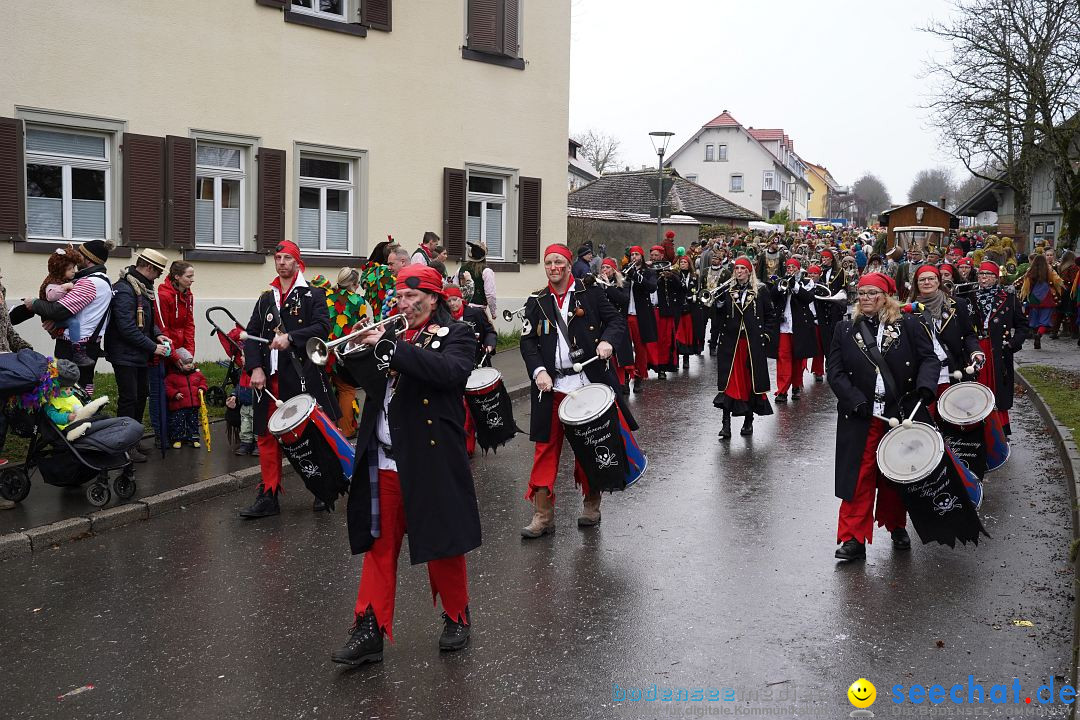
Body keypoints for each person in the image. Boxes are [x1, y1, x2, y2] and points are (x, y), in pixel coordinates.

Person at [332, 264, 481, 664]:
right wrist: (353, 351)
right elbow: (364, 379)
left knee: (442, 542)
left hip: (429, 456)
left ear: (433, 298)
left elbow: (451, 373)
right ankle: (369, 628)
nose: (405, 304)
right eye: (400, 296)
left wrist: (393, 349)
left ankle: (456, 615)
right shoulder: (392, 333)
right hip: (384, 459)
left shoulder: (458, 335)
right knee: (379, 545)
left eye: (414, 297)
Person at [519, 243, 636, 537]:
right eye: (548, 262)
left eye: (558, 261)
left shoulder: (591, 292)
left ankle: (591, 504)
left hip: (587, 384)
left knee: (590, 445)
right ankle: (542, 515)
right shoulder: (537, 301)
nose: (553, 267)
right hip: (551, 387)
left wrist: (608, 341)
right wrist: (539, 371)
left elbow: (616, 321)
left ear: (569, 265)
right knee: (544, 449)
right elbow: (527, 343)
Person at [827, 272, 940, 561]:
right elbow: (835, 371)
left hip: (898, 412)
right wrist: (854, 399)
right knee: (858, 477)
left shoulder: (909, 325)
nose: (865, 299)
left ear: (886, 296)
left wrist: (926, 388)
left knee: (896, 474)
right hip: (861, 414)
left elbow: (929, 358)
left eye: (872, 293)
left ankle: (897, 526)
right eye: (861, 293)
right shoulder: (845, 328)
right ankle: (853, 538)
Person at [239, 241, 340, 518]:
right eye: (278, 257)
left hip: (300, 377)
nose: (281, 262)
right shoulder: (265, 298)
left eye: (287, 258)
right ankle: (269, 494)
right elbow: (250, 335)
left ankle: (323, 489)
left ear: (297, 262)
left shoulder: (313, 295)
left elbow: (322, 327)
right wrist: (255, 369)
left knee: (312, 435)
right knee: (265, 438)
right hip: (268, 381)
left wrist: (292, 338)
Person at [103, 249, 171, 463]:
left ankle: (133, 439)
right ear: (148, 267)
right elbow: (126, 328)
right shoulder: (125, 289)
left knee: (141, 395)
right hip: (124, 354)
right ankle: (124, 445)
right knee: (129, 398)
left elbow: (149, 322)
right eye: (158, 271)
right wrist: (153, 347)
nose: (160, 275)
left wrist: (158, 336)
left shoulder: (143, 287)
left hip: (139, 354)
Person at [23, 240, 113, 394]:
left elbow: (59, 310)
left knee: (67, 390)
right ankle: (84, 413)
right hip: (85, 344)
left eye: (80, 254)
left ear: (89, 259)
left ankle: (74, 416)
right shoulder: (99, 279)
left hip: (76, 347)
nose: (76, 258)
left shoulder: (90, 283)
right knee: (83, 384)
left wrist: (35, 303)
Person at [712, 257, 777, 439]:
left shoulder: (761, 290)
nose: (739, 271)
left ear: (749, 271)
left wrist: (766, 335)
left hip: (751, 343)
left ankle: (748, 421)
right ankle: (726, 425)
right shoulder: (727, 289)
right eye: (737, 268)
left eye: (742, 268)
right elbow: (720, 318)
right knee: (728, 384)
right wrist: (717, 308)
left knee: (750, 383)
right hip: (731, 344)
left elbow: (771, 315)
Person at [908, 264, 983, 399]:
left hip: (954, 369)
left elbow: (968, 334)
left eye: (931, 278)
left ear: (938, 281)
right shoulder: (909, 311)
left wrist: (975, 351)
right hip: (923, 375)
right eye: (922, 280)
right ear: (916, 283)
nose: (927, 282)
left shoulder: (957, 304)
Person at [971, 261, 1027, 435]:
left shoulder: (1008, 297)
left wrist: (1012, 345)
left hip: (999, 350)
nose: (984, 278)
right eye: (981, 274)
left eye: (988, 275)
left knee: (998, 389)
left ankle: (1000, 429)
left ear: (996, 278)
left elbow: (1022, 325)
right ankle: (975, 427)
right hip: (976, 349)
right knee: (975, 387)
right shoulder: (970, 296)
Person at [324, 267, 369, 438]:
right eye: (357, 284)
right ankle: (346, 430)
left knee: (327, 389)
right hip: (345, 352)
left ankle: (330, 428)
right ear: (352, 284)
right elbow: (362, 328)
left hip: (326, 351)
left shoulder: (326, 297)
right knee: (347, 390)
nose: (358, 287)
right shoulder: (358, 301)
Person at [768, 258, 817, 402]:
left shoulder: (807, 282)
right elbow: (772, 296)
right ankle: (782, 391)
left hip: (799, 327)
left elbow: (808, 298)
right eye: (788, 268)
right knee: (783, 358)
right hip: (783, 327)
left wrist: (795, 286)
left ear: (798, 269)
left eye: (793, 268)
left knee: (797, 358)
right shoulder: (780, 281)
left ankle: (796, 387)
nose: (790, 270)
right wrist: (781, 287)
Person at [37, 249, 90, 366]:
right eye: (70, 269)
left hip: (59, 315)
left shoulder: (63, 279)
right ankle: (77, 349)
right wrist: (65, 287)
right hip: (55, 318)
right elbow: (50, 296)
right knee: (74, 323)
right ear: (60, 269)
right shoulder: (53, 282)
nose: (73, 272)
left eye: (74, 268)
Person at [595, 258, 635, 394]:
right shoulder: (598, 284)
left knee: (621, 356)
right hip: (604, 324)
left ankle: (624, 381)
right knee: (608, 356)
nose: (604, 270)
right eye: (603, 268)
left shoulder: (624, 283)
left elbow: (623, 300)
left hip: (619, 324)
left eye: (607, 268)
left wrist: (608, 286)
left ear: (613, 270)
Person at [622, 246, 658, 393]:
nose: (634, 257)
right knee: (624, 349)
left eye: (637, 254)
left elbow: (652, 287)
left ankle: (638, 377)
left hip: (640, 316)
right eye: (632, 255)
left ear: (642, 257)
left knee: (640, 349)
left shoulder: (649, 272)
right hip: (626, 315)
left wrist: (636, 276)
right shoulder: (625, 270)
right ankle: (624, 378)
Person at [165, 347, 208, 448]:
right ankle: (177, 439)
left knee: (193, 423)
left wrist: (202, 388)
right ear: (179, 364)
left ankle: (194, 438)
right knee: (178, 423)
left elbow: (203, 382)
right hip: (179, 405)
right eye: (185, 363)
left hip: (193, 405)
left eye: (190, 362)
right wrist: (175, 394)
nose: (189, 365)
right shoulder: (172, 376)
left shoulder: (196, 374)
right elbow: (167, 387)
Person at [1020, 254, 1065, 349]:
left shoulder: (1030, 271)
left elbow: (1023, 284)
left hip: (1034, 299)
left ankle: (1035, 333)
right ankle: (1039, 334)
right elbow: (1058, 281)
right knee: (1044, 321)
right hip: (1046, 298)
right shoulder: (1049, 270)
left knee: (1034, 319)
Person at [458, 241, 497, 322]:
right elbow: (490, 294)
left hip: (462, 310)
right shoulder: (487, 271)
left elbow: (456, 288)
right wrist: (493, 312)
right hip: (478, 311)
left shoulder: (460, 269)